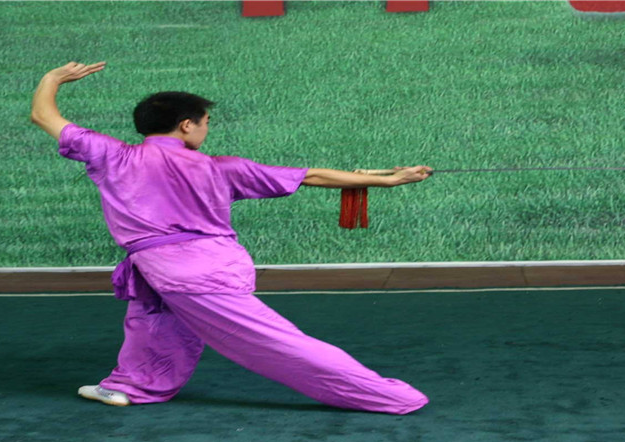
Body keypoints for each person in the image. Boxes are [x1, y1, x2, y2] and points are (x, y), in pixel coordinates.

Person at [30, 62, 431, 415]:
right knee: (153, 319)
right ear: (186, 125)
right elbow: (309, 176)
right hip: (192, 266)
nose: (206, 129)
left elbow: (43, 115)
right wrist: (388, 179)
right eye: (205, 122)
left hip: (185, 269)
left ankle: (389, 396)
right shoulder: (222, 167)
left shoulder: (112, 154)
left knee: (272, 342)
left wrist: (53, 78)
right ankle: (132, 385)